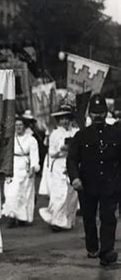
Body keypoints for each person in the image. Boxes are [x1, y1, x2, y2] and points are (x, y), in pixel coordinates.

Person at [67, 94, 121, 266]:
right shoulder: (81, 136)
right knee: (89, 218)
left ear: (106, 113)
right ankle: (92, 246)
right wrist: (75, 177)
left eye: (101, 112)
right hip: (87, 184)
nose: (98, 116)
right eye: (94, 113)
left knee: (108, 217)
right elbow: (72, 159)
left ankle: (106, 252)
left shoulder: (116, 134)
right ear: (89, 114)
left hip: (109, 183)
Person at [39, 105, 79, 232]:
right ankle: (56, 220)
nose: (65, 121)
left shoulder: (76, 132)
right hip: (59, 164)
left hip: (72, 163)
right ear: (59, 121)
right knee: (59, 193)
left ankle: (67, 220)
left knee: (71, 193)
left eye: (67, 118)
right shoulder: (55, 134)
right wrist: (61, 149)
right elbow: (51, 152)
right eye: (62, 119)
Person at [2, 116, 40, 227]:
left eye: (20, 125)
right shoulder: (10, 139)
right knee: (11, 193)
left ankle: (23, 217)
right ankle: (12, 216)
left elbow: (34, 154)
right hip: (12, 166)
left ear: (25, 127)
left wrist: (34, 167)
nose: (18, 127)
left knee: (24, 194)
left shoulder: (31, 140)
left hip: (25, 167)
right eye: (16, 125)